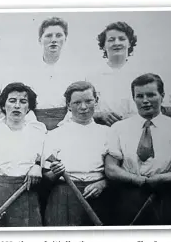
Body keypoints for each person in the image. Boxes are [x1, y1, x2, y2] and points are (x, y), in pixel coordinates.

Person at [104, 73, 171, 225]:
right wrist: (139, 180)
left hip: (164, 196)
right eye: (140, 96)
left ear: (162, 95)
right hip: (128, 195)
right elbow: (110, 168)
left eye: (151, 95)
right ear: (134, 98)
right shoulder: (119, 128)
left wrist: (163, 179)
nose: (145, 101)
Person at [42, 81, 110, 226]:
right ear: (68, 105)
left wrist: (103, 184)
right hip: (64, 195)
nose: (83, 107)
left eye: (88, 101)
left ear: (96, 101)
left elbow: (115, 170)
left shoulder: (108, 133)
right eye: (77, 102)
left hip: (98, 196)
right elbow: (46, 176)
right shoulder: (54, 135)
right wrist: (56, 172)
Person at [0, 82, 45, 227]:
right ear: (3, 106)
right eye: (12, 101)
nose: (17, 106)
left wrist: (37, 166)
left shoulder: (38, 131)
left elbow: (45, 158)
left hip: (29, 192)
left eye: (23, 102)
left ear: (29, 108)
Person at [89, 21, 139, 126]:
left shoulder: (140, 73)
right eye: (111, 40)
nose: (117, 43)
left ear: (129, 43)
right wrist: (99, 115)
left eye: (122, 39)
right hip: (102, 130)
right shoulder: (92, 76)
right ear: (103, 46)